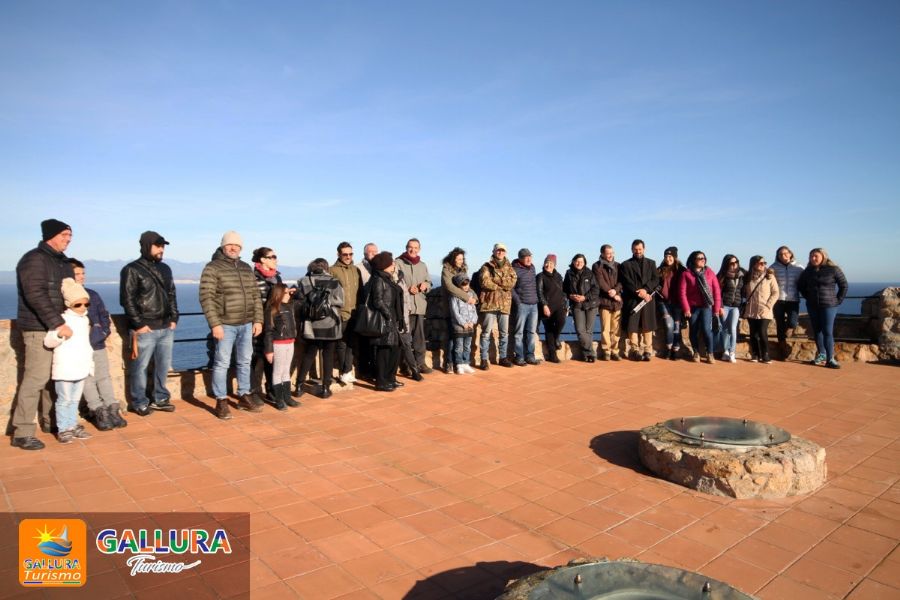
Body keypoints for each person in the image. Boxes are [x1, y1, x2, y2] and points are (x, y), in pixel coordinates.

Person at [10, 219, 75, 450]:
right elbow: (35, 295)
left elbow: (70, 293)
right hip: (39, 329)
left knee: (54, 378)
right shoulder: (34, 259)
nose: (68, 239)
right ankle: (22, 431)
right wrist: (57, 323)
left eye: (70, 235)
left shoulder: (63, 262)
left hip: (58, 328)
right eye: (64, 235)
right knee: (35, 379)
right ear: (51, 235)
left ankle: (51, 422)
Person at [200, 231, 264, 419]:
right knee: (222, 363)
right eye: (230, 245)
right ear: (223, 246)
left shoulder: (245, 268)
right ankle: (221, 401)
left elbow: (255, 296)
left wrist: (258, 319)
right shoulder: (212, 268)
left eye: (237, 245)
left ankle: (244, 395)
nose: (233, 248)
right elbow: (206, 297)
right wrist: (215, 324)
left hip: (246, 323)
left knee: (244, 361)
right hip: (225, 324)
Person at [119, 231, 179, 416]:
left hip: (165, 327)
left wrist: (174, 319)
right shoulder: (132, 270)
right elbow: (126, 299)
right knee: (140, 367)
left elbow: (171, 294)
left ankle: (161, 399)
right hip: (145, 328)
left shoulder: (166, 269)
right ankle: (140, 401)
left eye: (163, 246)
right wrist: (138, 324)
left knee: (162, 366)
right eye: (158, 246)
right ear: (146, 246)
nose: (161, 249)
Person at [69, 259, 126, 430]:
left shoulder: (92, 295)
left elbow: (104, 315)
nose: (81, 277)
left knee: (104, 377)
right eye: (77, 274)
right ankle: (98, 410)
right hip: (79, 348)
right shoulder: (65, 298)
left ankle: (112, 408)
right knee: (87, 380)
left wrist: (102, 333)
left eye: (83, 273)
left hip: (98, 344)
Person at [43, 278, 93, 444]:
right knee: (64, 400)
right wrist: (59, 334)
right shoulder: (61, 320)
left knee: (74, 399)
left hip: (81, 367)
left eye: (86, 304)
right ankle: (64, 428)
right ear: (68, 304)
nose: (83, 308)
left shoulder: (85, 320)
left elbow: (86, 345)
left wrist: (89, 364)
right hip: (65, 368)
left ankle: (72, 424)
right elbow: (49, 342)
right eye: (78, 305)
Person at [294, 259, 344, 398]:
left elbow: (298, 302)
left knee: (309, 354)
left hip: (310, 325)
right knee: (328, 356)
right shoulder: (334, 281)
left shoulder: (304, 280)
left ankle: (299, 386)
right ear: (326, 268)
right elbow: (341, 301)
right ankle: (325, 388)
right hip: (330, 323)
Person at [798, 248, 848, 369]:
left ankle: (830, 359)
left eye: (816, 256)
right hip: (813, 305)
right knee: (817, 331)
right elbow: (801, 286)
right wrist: (809, 297)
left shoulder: (834, 269)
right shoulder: (807, 271)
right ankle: (822, 354)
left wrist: (838, 300)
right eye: (811, 256)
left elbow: (844, 285)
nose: (813, 258)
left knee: (827, 331)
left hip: (829, 305)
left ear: (823, 256)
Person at [249, 246, 283, 406]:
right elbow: (251, 301)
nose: (276, 259)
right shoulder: (253, 278)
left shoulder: (277, 277)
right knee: (258, 358)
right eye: (273, 256)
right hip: (259, 322)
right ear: (263, 260)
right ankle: (255, 392)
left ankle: (271, 390)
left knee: (272, 357)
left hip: (274, 323)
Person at [368, 252, 405, 391]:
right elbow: (377, 301)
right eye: (391, 263)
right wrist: (389, 315)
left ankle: (391, 378)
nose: (394, 265)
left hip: (393, 319)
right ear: (385, 265)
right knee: (384, 351)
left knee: (395, 349)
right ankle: (381, 382)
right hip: (385, 320)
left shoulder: (388, 278)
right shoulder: (378, 279)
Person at [477, 243, 517, 369]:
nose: (500, 252)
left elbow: (512, 282)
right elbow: (484, 281)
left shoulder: (510, 267)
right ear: (494, 251)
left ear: (505, 252)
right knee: (486, 332)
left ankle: (503, 358)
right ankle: (484, 359)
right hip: (490, 303)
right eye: (498, 250)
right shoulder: (487, 266)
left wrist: (496, 282)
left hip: (505, 305)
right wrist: (500, 286)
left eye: (502, 250)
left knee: (504, 333)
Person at [395, 239, 432, 374]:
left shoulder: (423, 265)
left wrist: (425, 286)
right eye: (411, 247)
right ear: (406, 248)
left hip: (420, 306)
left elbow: (429, 282)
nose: (413, 250)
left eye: (416, 248)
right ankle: (405, 365)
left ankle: (420, 363)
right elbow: (394, 281)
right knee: (405, 338)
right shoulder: (398, 263)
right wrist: (407, 289)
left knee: (419, 337)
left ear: (419, 249)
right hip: (406, 306)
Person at [679, 250, 722, 364]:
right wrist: (686, 308)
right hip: (693, 307)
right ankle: (696, 352)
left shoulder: (709, 272)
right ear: (694, 260)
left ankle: (710, 353)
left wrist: (716, 309)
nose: (703, 260)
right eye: (700, 258)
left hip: (706, 306)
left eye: (704, 258)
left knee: (706, 330)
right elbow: (682, 293)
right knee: (693, 331)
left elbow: (716, 291)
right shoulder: (686, 274)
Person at [620, 240, 660, 361]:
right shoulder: (625, 265)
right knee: (633, 326)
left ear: (644, 249)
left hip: (647, 299)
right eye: (635, 249)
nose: (638, 251)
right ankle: (635, 350)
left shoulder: (651, 263)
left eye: (640, 249)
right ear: (632, 249)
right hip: (632, 299)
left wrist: (646, 290)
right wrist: (640, 293)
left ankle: (648, 350)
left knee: (647, 325)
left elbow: (655, 279)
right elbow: (626, 282)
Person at [263, 283, 300, 409]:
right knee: (278, 372)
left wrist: (295, 291)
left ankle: (287, 397)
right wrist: (268, 350)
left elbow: (301, 298)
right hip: (278, 344)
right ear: (279, 294)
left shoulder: (289, 305)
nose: (288, 295)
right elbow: (268, 331)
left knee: (286, 371)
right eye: (286, 292)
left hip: (290, 342)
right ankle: (279, 400)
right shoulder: (271, 309)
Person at [330, 242, 363, 384]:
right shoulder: (332, 271)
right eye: (345, 254)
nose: (348, 257)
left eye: (350, 254)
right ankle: (344, 371)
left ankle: (347, 371)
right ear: (338, 254)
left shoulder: (356, 270)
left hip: (355, 313)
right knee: (342, 344)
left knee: (352, 343)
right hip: (341, 313)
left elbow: (360, 291)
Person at [441, 247, 475, 373]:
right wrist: (467, 298)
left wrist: (474, 297)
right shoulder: (446, 270)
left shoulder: (464, 269)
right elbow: (450, 288)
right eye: (458, 258)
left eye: (462, 259)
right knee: (451, 337)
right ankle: (449, 363)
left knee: (463, 340)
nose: (460, 261)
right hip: (451, 307)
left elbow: (467, 286)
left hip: (465, 310)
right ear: (453, 258)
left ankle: (460, 363)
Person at [743, 255, 780, 364]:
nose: (763, 265)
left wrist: (768, 306)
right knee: (753, 333)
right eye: (760, 263)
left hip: (765, 310)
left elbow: (776, 293)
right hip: (751, 309)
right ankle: (755, 354)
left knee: (762, 332)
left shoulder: (769, 276)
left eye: (764, 263)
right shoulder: (748, 277)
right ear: (753, 264)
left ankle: (766, 354)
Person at [564, 254, 600, 362]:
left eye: (581, 261)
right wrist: (571, 296)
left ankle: (587, 355)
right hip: (576, 305)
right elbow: (564, 289)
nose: (579, 263)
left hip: (590, 305)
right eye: (577, 261)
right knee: (580, 330)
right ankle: (591, 352)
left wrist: (585, 297)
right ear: (573, 261)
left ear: (584, 262)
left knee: (588, 331)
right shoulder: (568, 273)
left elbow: (596, 289)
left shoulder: (590, 273)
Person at [772, 245, 804, 359]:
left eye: (785, 253)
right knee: (779, 323)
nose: (783, 256)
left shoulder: (799, 267)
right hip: (778, 300)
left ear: (790, 254)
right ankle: (782, 346)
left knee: (792, 323)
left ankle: (785, 335)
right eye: (780, 254)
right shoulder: (773, 267)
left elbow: (805, 282)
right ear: (777, 256)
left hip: (793, 299)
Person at [592, 245, 623, 361]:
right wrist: (613, 293)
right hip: (605, 301)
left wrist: (616, 290)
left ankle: (615, 351)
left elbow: (621, 281)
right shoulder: (597, 266)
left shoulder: (618, 266)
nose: (610, 255)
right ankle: (606, 351)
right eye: (608, 253)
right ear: (602, 254)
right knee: (605, 328)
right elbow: (600, 282)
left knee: (616, 329)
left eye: (612, 253)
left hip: (617, 302)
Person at [511, 248, 541, 366]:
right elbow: (511, 288)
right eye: (525, 257)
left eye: (530, 256)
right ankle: (519, 357)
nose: (529, 259)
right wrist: (518, 301)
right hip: (522, 305)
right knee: (519, 333)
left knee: (531, 332)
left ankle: (530, 356)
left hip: (534, 305)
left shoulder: (532, 268)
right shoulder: (514, 270)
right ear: (520, 258)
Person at [536, 254, 566, 363]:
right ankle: (553, 355)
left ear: (555, 265)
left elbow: (562, 291)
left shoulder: (558, 276)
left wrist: (565, 305)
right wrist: (544, 305)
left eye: (551, 263)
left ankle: (556, 337)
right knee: (549, 330)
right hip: (546, 307)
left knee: (561, 322)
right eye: (546, 263)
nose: (548, 265)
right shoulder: (540, 276)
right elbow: (539, 292)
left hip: (559, 306)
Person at [716, 254, 746, 364]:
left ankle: (732, 352)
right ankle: (725, 351)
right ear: (726, 264)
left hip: (736, 307)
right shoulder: (721, 276)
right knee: (724, 329)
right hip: (725, 306)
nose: (734, 265)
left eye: (736, 262)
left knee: (733, 328)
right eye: (731, 263)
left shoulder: (742, 274)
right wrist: (720, 306)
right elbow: (718, 293)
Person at [657, 247, 685, 360]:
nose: (668, 259)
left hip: (678, 302)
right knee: (669, 325)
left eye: (670, 256)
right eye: (666, 256)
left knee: (677, 327)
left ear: (675, 257)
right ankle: (668, 349)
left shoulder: (682, 270)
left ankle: (675, 350)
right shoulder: (660, 270)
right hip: (664, 302)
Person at [449, 274, 478, 374]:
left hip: (470, 325)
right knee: (459, 346)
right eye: (463, 284)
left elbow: (474, 310)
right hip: (459, 325)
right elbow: (455, 312)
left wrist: (473, 321)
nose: (466, 286)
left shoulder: (471, 295)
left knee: (467, 346)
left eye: (467, 284)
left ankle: (466, 363)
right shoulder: (455, 296)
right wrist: (463, 323)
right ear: (459, 285)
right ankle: (459, 364)